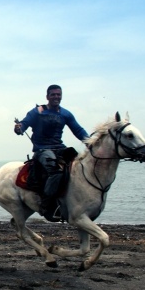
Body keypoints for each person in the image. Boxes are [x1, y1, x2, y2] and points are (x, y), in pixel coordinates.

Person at [14, 84, 89, 221]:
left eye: (58, 94)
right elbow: (24, 125)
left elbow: (78, 130)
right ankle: (46, 204)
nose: (56, 97)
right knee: (56, 170)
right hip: (42, 149)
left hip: (59, 147)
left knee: (79, 165)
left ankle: (75, 200)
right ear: (47, 97)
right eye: (53, 94)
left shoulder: (65, 114)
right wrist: (19, 128)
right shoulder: (37, 112)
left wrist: (90, 141)